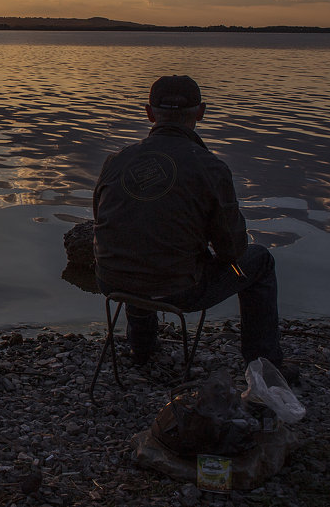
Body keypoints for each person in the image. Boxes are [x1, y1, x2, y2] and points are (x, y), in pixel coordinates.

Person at [92, 75, 293, 379]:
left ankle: (141, 349)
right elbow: (232, 250)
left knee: (138, 240)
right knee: (259, 262)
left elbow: (101, 219)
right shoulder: (211, 167)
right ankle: (265, 367)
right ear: (201, 112)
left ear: (149, 112)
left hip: (110, 281)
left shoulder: (115, 161)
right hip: (180, 291)